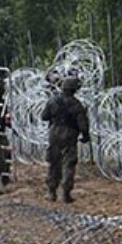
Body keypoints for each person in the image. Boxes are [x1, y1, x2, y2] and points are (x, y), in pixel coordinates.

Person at [41, 75, 91, 203]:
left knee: (54, 162)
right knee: (68, 163)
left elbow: (44, 116)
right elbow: (83, 124)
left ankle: (51, 192)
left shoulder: (53, 101)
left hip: (55, 132)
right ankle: (65, 193)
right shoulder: (77, 105)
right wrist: (85, 136)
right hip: (69, 134)